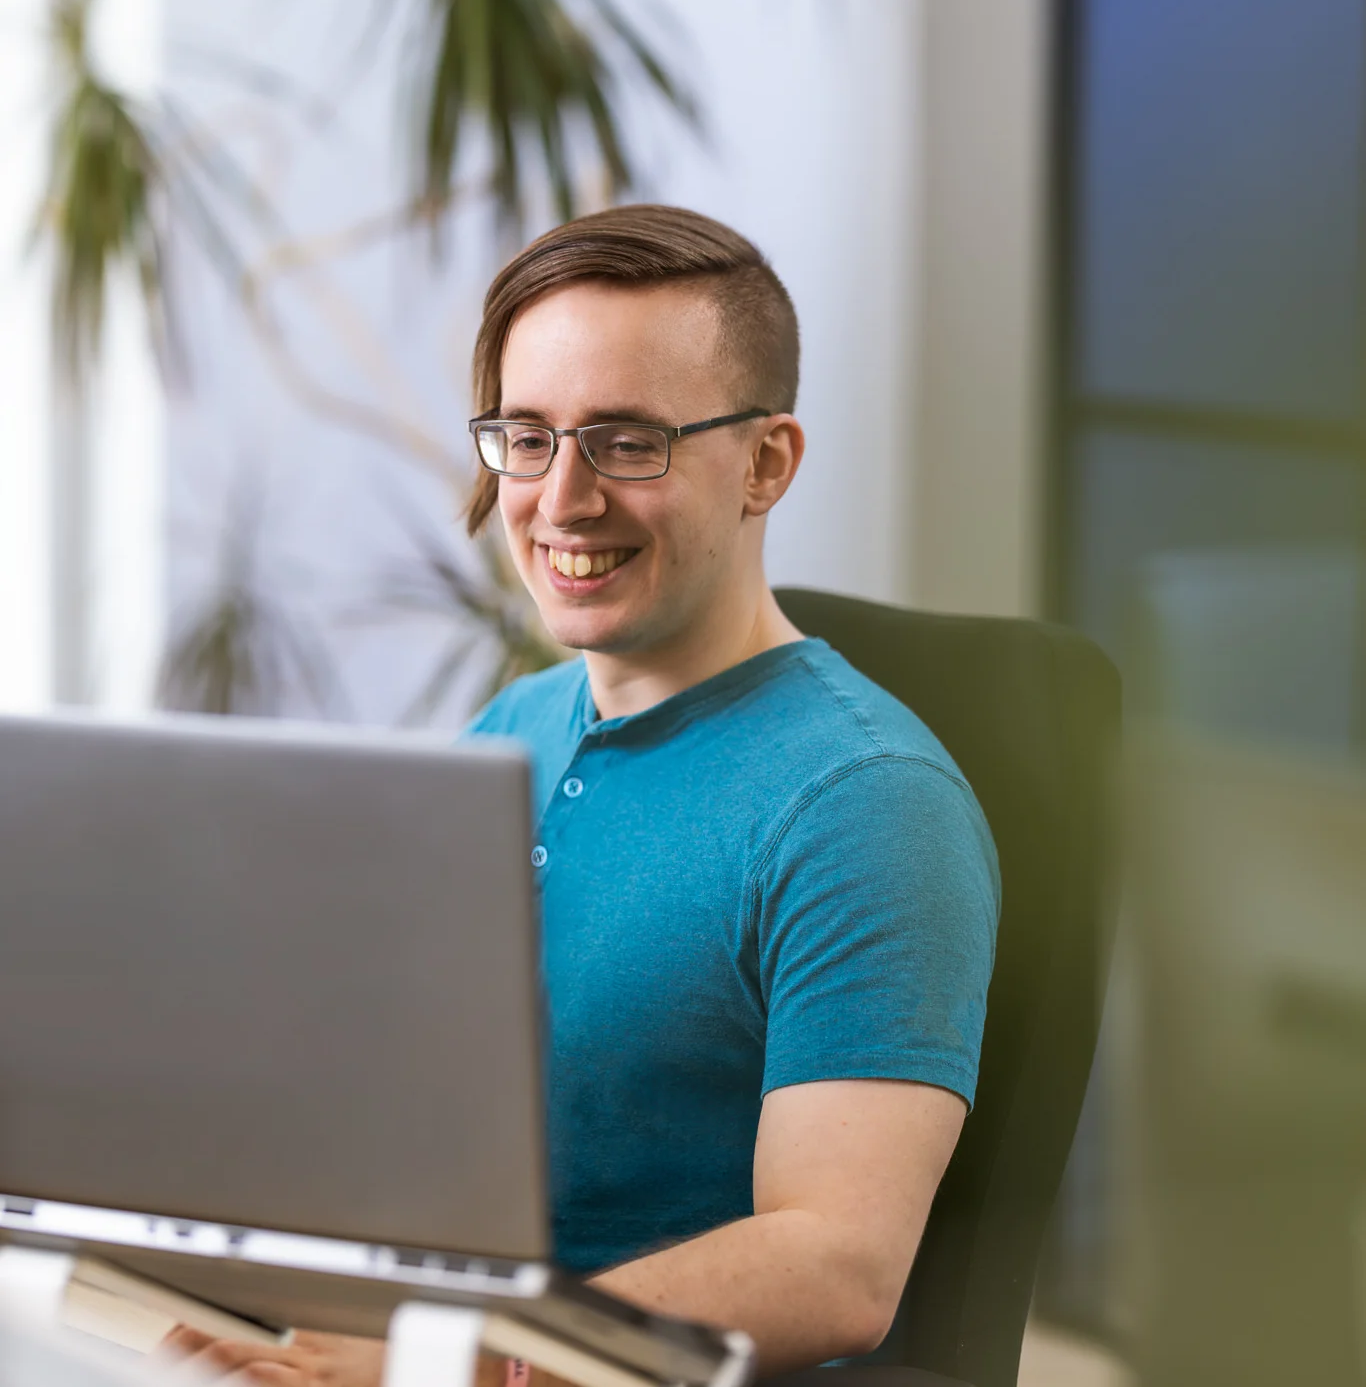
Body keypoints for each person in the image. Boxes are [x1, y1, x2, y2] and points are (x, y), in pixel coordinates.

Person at [164, 205, 999, 1384]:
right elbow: (392, 1095)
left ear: (766, 462)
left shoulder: (867, 805)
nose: (560, 499)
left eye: (626, 441)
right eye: (527, 436)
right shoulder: (511, 731)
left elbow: (837, 1265)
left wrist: (446, 1361)